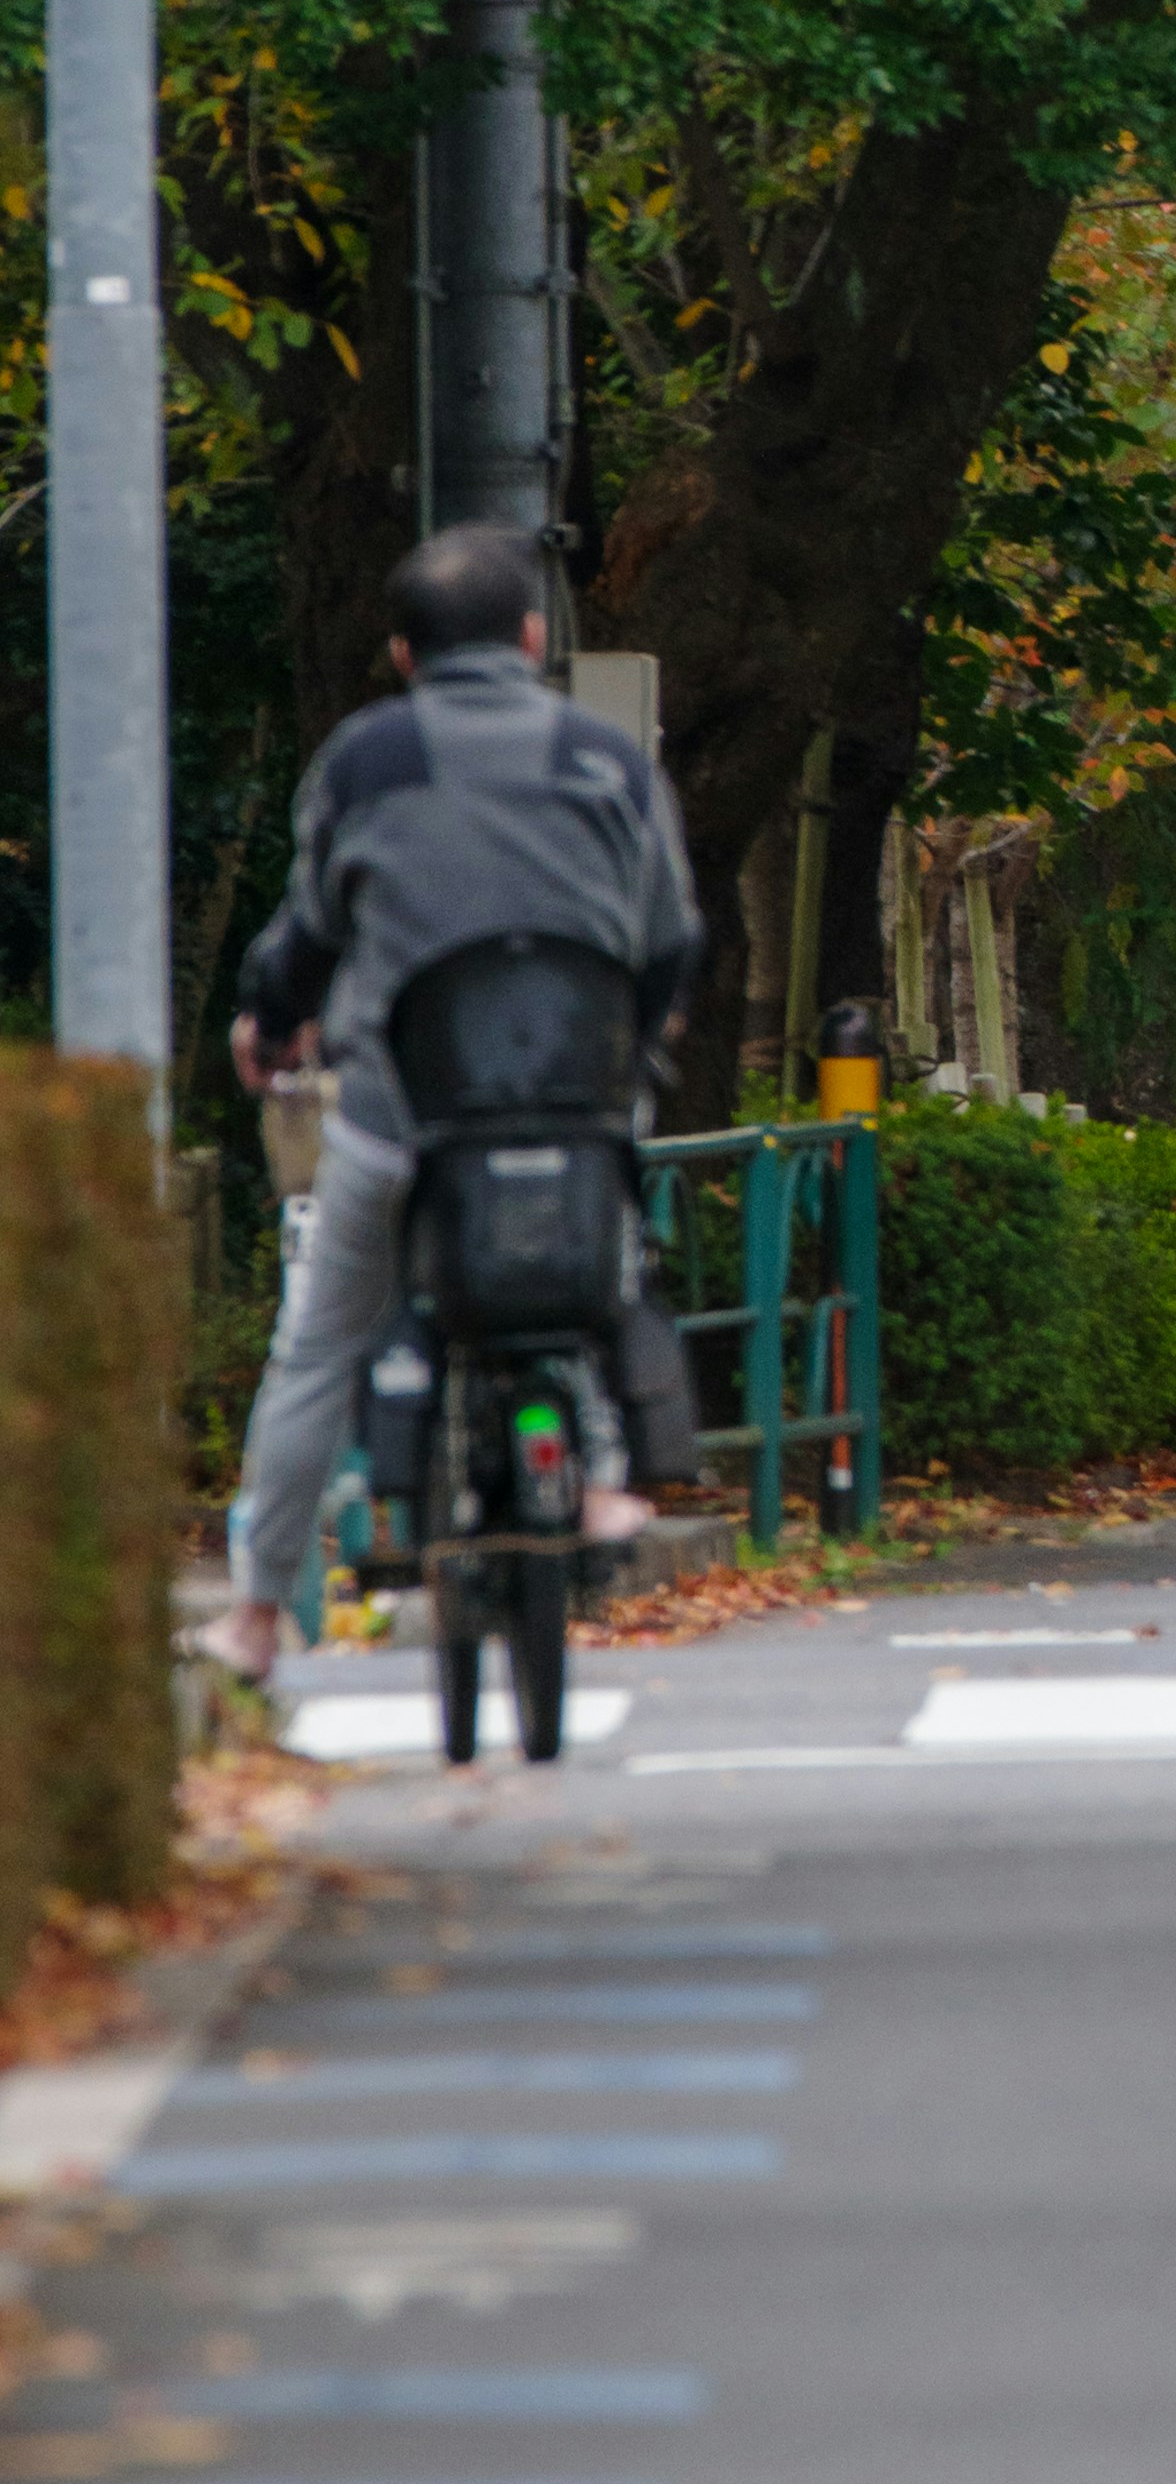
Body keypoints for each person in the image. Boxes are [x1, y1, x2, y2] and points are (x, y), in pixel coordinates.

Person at [206, 524, 707, 1683]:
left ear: (398, 653)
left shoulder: (365, 763)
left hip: (404, 1117)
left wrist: (267, 1022)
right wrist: (636, 1042)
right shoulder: (605, 760)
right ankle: (610, 1477)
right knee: (609, 1267)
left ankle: (257, 1614)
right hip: (578, 1115)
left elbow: (309, 932)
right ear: (533, 639)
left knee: (320, 1345)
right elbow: (671, 932)